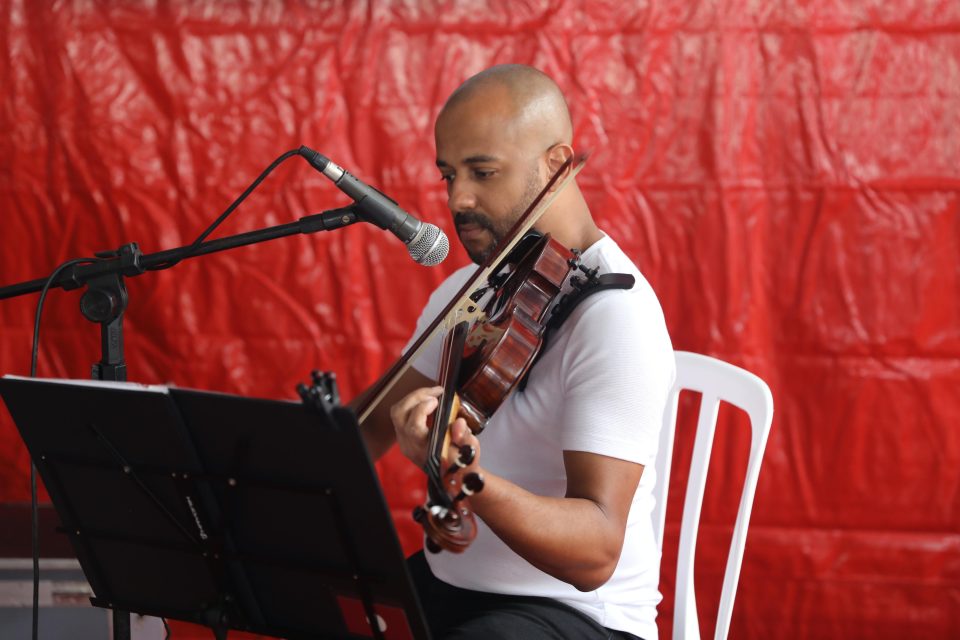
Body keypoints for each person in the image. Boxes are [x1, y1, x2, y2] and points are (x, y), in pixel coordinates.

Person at [357, 64, 675, 640]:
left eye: (483, 171)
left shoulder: (615, 316)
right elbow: (364, 430)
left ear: (556, 164)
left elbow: (596, 550)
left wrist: (466, 476)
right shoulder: (471, 291)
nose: (460, 198)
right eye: (449, 174)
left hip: (576, 616)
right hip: (452, 590)